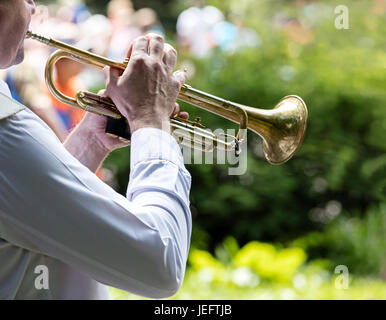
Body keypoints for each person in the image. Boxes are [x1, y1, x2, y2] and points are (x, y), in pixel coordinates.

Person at [0, 0, 191, 300]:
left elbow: (36, 206)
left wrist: (92, 140)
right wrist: (151, 120)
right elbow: (161, 262)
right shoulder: (4, 132)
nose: (34, 6)